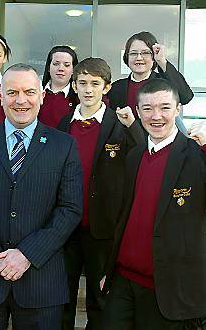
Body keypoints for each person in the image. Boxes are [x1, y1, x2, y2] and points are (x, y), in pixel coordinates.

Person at [101, 78, 206, 329]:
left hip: (167, 291)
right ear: (138, 112)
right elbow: (125, 217)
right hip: (123, 283)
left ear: (178, 109)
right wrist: (110, 269)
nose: (156, 116)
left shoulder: (197, 155)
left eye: (165, 107)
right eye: (147, 108)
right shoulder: (135, 155)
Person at [0, 63, 83, 330]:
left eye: (29, 92)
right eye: (12, 92)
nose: (21, 100)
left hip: (41, 281)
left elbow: (70, 209)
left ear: (42, 96)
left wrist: (26, 254)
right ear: (0, 97)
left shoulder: (64, 145)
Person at [57, 58, 144, 329]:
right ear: (74, 86)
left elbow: (144, 154)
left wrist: (133, 126)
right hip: (66, 227)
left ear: (106, 88)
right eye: (82, 83)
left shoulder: (119, 123)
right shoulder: (63, 123)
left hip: (102, 226)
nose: (88, 89)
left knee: (99, 298)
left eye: (95, 84)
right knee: (61, 297)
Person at [107, 31, 193, 132]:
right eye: (133, 53)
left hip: (157, 140)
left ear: (154, 56)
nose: (139, 58)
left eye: (145, 53)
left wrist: (161, 60)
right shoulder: (116, 87)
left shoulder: (163, 83)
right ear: (127, 57)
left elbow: (186, 97)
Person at [38, 46, 79, 127]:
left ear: (73, 70)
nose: (61, 68)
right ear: (48, 68)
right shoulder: (36, 92)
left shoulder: (79, 97)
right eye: (56, 64)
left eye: (66, 65)